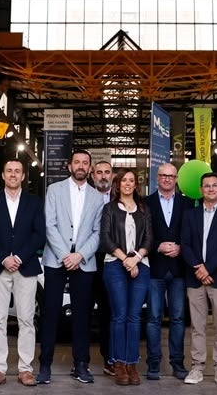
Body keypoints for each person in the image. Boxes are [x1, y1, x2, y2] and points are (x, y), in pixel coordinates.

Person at [38, 149, 104, 384]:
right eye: (77, 162)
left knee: (82, 316)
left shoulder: (97, 197)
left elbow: (98, 233)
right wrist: (66, 254)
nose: (81, 166)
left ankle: (81, 365)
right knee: (51, 313)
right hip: (56, 258)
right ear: (69, 166)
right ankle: (45, 365)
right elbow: (49, 225)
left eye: (85, 163)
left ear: (89, 168)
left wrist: (80, 255)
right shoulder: (54, 190)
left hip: (84, 262)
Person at [0, 160, 45, 388]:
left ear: (23, 176)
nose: (13, 174)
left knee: (26, 320)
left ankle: (25, 370)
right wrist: (3, 258)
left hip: (25, 266)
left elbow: (39, 234)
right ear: (3, 174)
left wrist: (17, 258)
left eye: (17, 171)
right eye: (9, 170)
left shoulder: (34, 202)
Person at [180, 172, 217, 386]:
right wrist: (199, 267)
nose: (211, 189)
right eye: (207, 186)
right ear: (201, 189)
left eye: (215, 185)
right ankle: (197, 367)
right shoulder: (190, 215)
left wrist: (208, 268)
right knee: (197, 326)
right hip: (195, 277)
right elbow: (184, 244)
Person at [99, 168, 152, 386]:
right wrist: (126, 260)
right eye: (124, 180)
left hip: (141, 264)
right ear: (117, 184)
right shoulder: (109, 209)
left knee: (134, 316)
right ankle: (119, 363)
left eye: (132, 180)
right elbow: (106, 239)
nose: (128, 184)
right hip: (115, 265)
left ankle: (132, 363)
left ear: (135, 185)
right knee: (119, 316)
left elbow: (150, 238)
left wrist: (136, 258)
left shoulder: (143, 209)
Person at [146, 162, 191, 381]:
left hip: (178, 269)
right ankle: (153, 364)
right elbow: (142, 233)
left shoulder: (187, 203)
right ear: (157, 177)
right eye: (163, 175)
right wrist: (157, 246)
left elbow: (192, 233)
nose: (167, 179)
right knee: (153, 318)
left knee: (178, 318)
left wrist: (181, 247)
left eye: (171, 176)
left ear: (176, 179)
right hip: (154, 268)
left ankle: (177, 363)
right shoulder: (146, 203)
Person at [91, 160, 115, 376]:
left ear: (112, 176)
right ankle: (81, 361)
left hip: (112, 261)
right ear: (92, 176)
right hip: (86, 260)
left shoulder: (120, 200)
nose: (103, 176)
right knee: (83, 311)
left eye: (107, 172)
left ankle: (110, 357)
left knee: (109, 311)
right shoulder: (84, 197)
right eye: (99, 172)